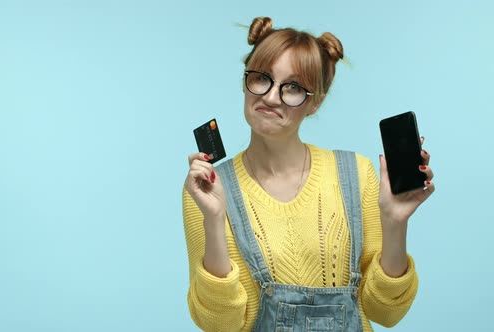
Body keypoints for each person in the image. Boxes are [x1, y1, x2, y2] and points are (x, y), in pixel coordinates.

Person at [182, 16, 435, 331]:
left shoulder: (357, 174)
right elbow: (220, 324)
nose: (271, 97)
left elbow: (385, 313)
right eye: (262, 78)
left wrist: (396, 224)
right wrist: (214, 219)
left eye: (293, 87)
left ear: (315, 102)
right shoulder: (208, 188)